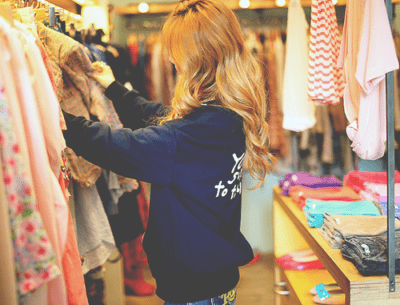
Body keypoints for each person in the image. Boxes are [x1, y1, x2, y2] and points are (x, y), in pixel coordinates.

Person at [62, 0, 276, 304]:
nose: (173, 61)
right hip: (215, 282)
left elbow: (116, 145)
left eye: (177, 54)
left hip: (193, 292)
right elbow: (158, 114)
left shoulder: (184, 137)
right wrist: (113, 88)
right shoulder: (225, 116)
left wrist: (58, 119)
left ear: (195, 59)